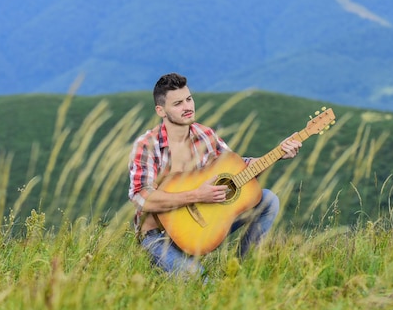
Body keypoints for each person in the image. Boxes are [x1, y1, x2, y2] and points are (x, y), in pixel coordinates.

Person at [127, 73, 302, 278]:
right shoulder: (147, 145)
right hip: (158, 236)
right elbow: (142, 198)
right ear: (161, 110)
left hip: (204, 227)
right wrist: (198, 195)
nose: (187, 107)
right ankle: (173, 265)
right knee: (200, 280)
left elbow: (237, 167)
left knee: (268, 200)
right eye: (177, 104)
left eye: (189, 99)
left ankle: (240, 273)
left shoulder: (205, 135)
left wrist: (278, 153)